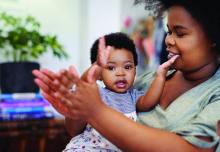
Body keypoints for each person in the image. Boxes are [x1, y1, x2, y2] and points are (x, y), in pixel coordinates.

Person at [33, 0, 220, 151]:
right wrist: (79, 102)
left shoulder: (215, 93)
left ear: (213, 37)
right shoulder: (147, 79)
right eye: (169, 31)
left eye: (180, 33)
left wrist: (96, 111)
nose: (168, 40)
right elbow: (75, 130)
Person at [33, 32, 178, 151]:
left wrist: (160, 75)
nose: (120, 73)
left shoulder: (133, 97)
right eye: (111, 68)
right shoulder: (97, 94)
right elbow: (85, 84)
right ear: (99, 73)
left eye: (127, 67)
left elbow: (149, 102)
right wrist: (96, 66)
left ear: (135, 70)